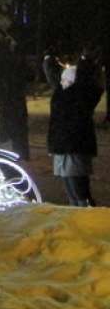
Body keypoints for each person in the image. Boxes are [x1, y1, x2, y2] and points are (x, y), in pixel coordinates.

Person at [43, 54, 101, 206]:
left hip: (75, 145)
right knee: (69, 185)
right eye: (62, 79)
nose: (63, 82)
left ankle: (86, 214)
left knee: (79, 186)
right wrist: (48, 59)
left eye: (66, 79)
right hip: (61, 145)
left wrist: (83, 61)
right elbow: (53, 76)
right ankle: (76, 214)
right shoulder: (61, 92)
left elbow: (85, 78)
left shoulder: (82, 94)